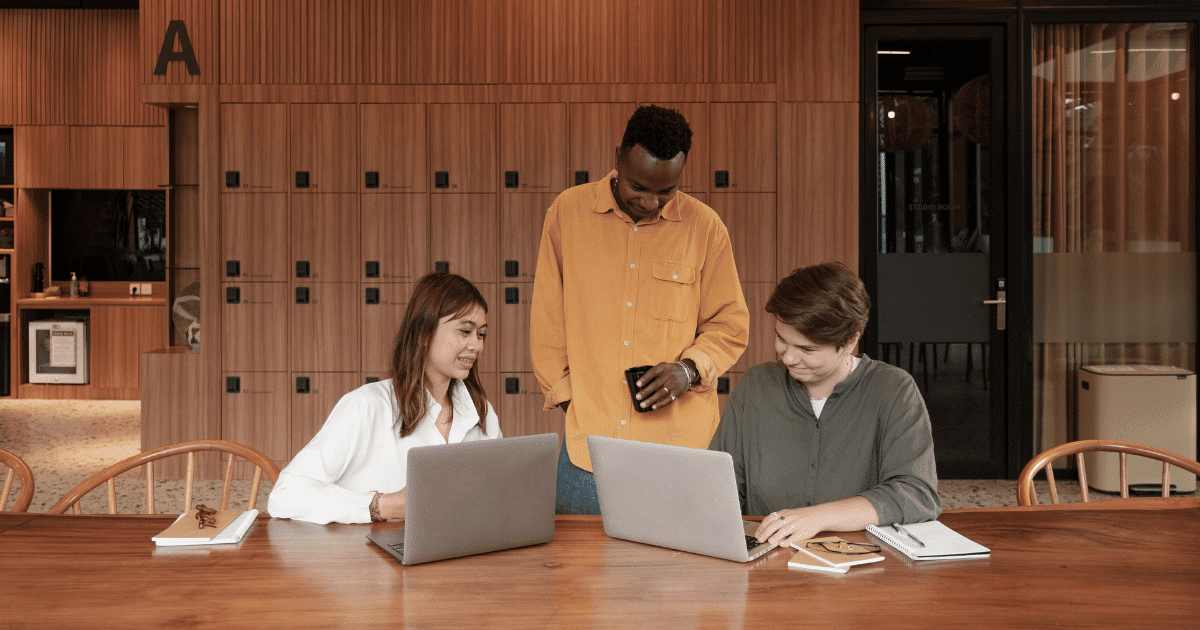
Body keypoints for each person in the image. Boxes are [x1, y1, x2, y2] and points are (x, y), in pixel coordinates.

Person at [531, 104, 749, 514]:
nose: (651, 202)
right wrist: (570, 401)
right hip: (589, 456)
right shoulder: (567, 213)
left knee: (681, 577)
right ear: (618, 157)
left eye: (666, 191)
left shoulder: (705, 228)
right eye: (639, 186)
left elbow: (730, 324)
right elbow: (547, 320)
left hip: (682, 454)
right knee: (580, 577)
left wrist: (689, 370)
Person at [708, 262, 940, 546]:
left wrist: (817, 517)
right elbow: (720, 484)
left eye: (807, 349)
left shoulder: (893, 390)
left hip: (862, 561)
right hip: (768, 557)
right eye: (781, 338)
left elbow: (917, 493)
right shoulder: (756, 385)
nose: (788, 358)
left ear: (850, 341)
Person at [269, 272, 501, 524]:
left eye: (481, 335)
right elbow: (285, 495)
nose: (476, 346)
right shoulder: (366, 406)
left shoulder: (481, 413)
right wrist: (383, 506)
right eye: (465, 331)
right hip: (371, 559)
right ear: (423, 333)